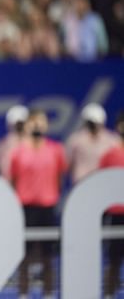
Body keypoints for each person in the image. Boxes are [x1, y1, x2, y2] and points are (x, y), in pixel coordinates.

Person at [9, 109, 67, 298]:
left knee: (48, 255)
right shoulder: (17, 152)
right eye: (33, 122)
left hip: (47, 208)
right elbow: (13, 180)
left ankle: (48, 293)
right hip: (25, 209)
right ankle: (23, 293)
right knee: (23, 255)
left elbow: (59, 177)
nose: (37, 125)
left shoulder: (56, 150)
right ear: (27, 125)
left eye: (41, 122)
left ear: (46, 125)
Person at [99, 111, 124, 299]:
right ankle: (109, 294)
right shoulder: (110, 154)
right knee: (114, 259)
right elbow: (101, 184)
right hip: (116, 213)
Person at [66, 103, 119, 184]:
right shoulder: (75, 140)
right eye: (91, 123)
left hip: (104, 182)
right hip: (80, 183)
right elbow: (68, 164)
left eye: (96, 123)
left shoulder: (112, 141)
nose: (94, 126)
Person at [0, 104, 28, 177]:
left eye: (21, 124)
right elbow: (5, 169)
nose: (19, 128)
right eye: (17, 125)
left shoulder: (31, 143)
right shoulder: (5, 144)